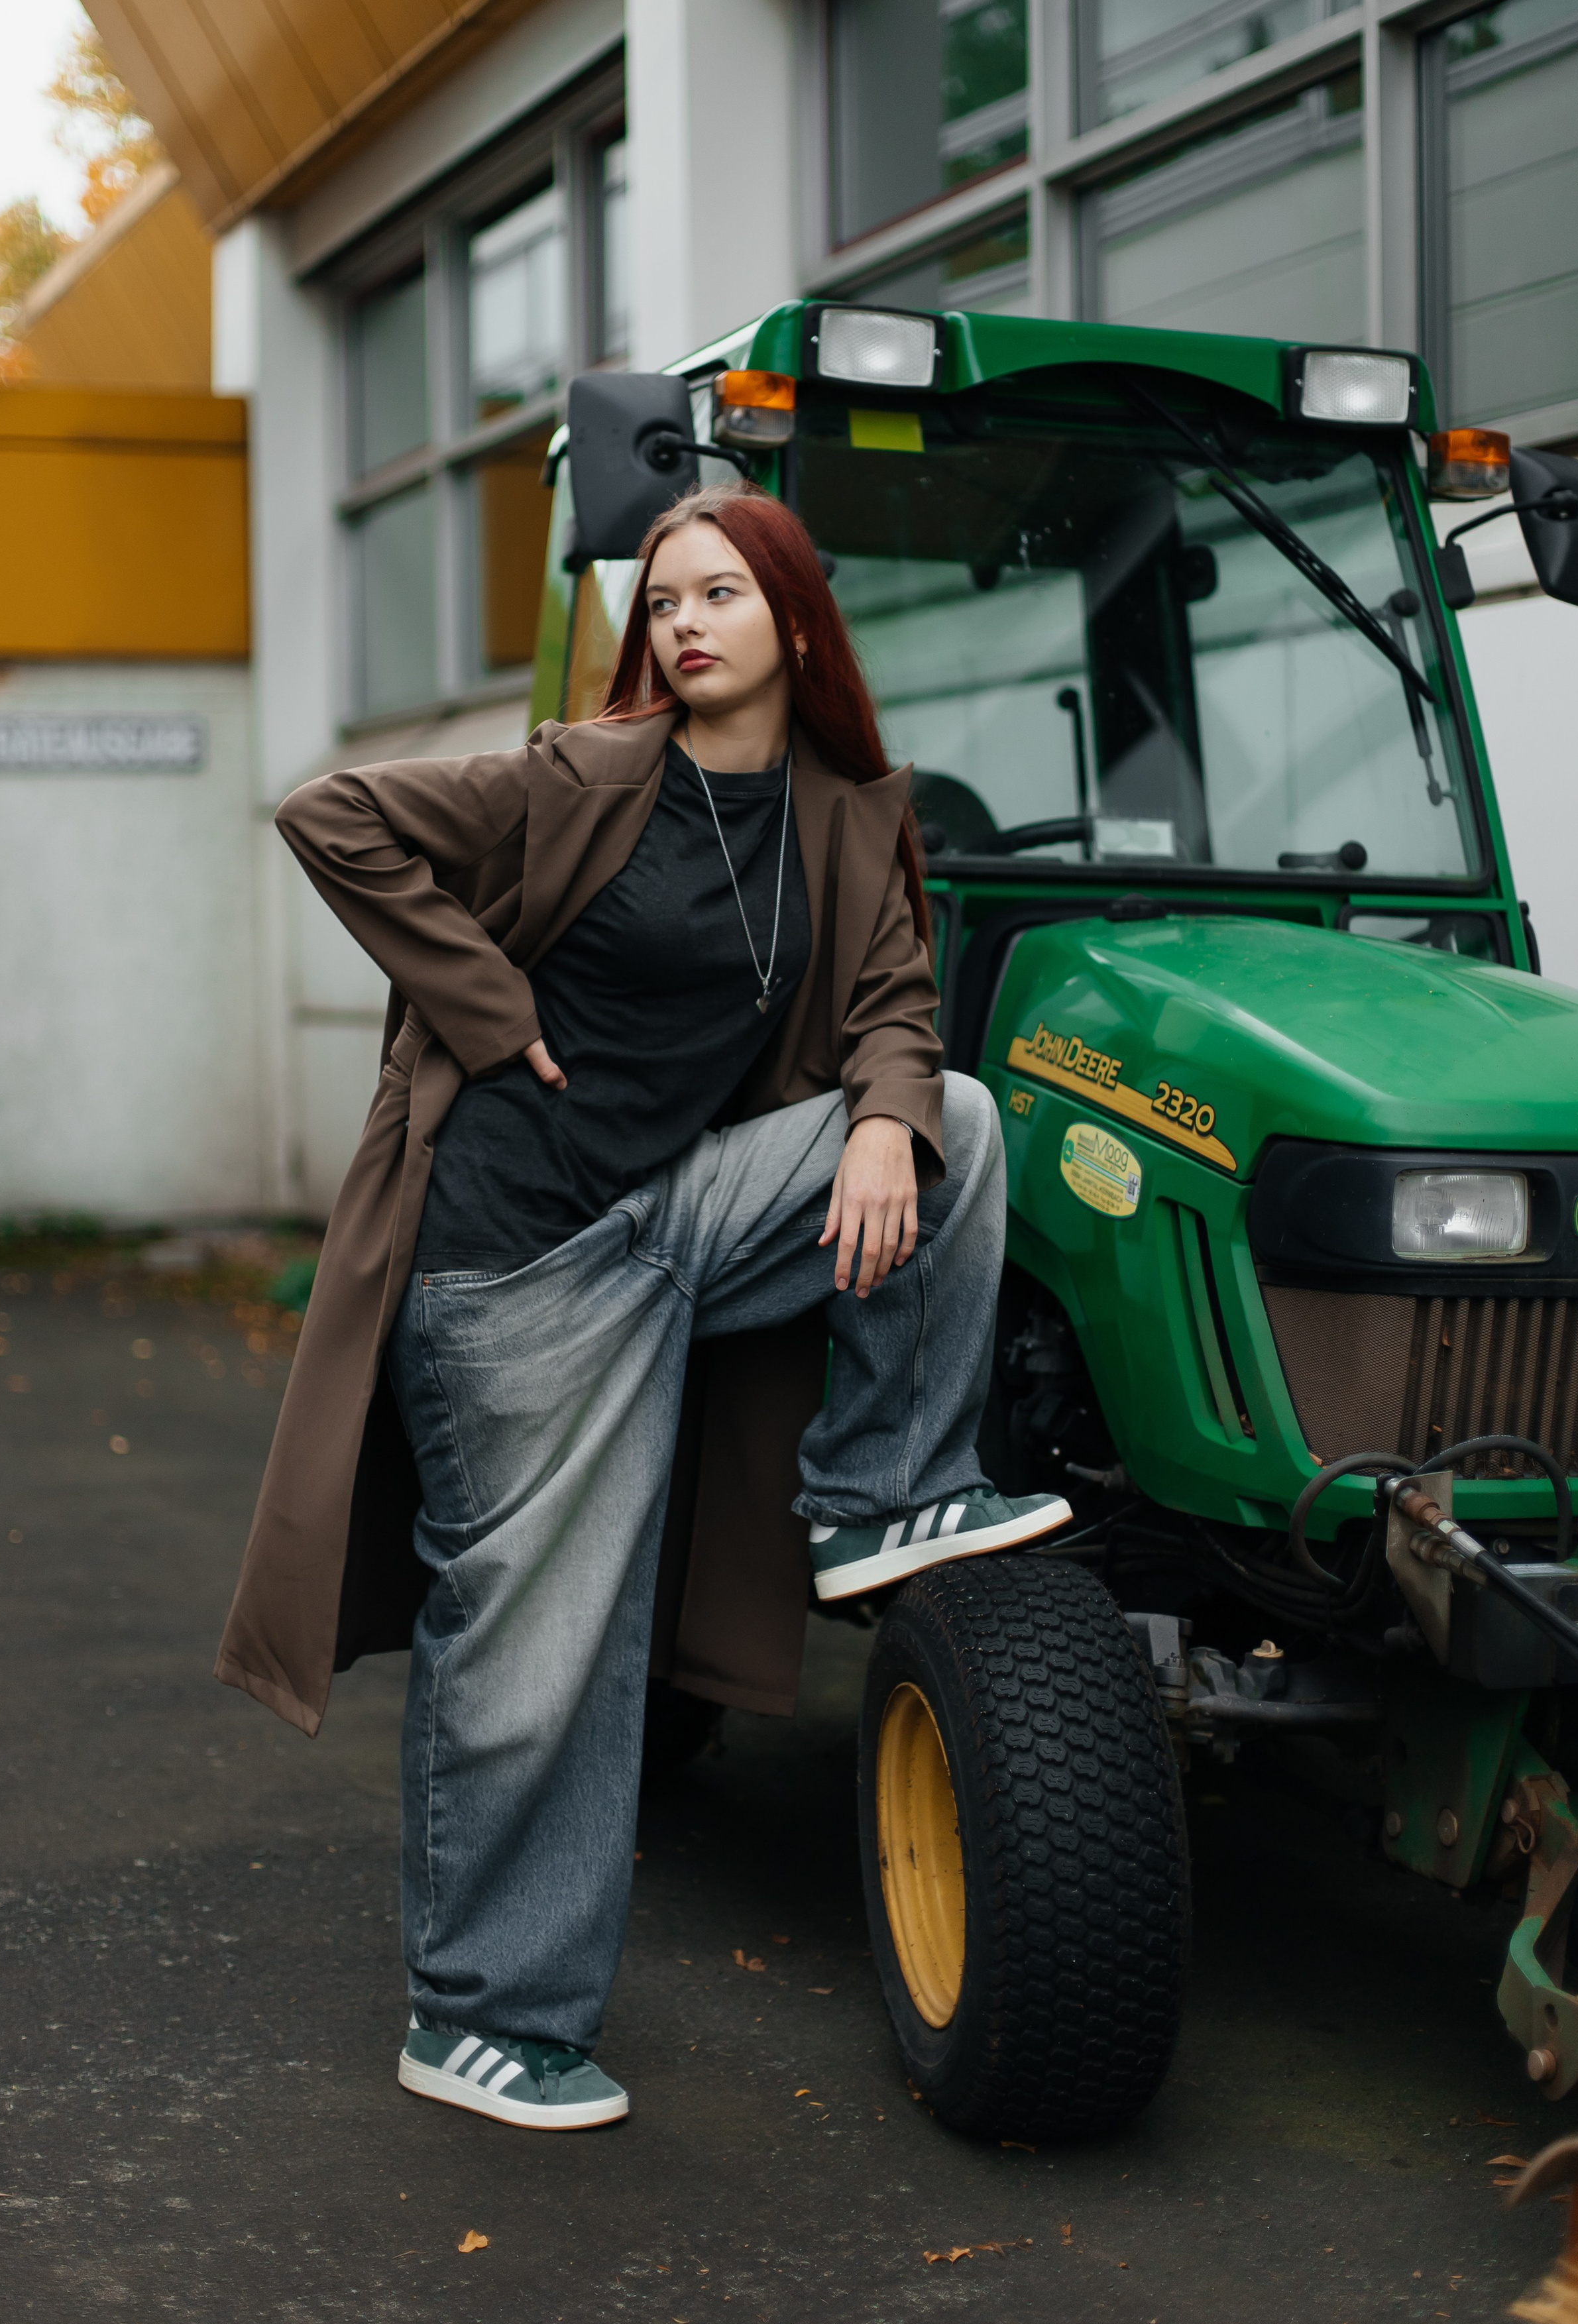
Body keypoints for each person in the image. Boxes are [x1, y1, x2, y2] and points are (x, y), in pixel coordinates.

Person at [215, 481, 1069, 2134]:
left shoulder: (835, 812)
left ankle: (886, 1491)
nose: (682, 625)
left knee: (954, 1125)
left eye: (719, 597)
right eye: (664, 601)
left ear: (794, 625)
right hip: (517, 1261)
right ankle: (476, 2016)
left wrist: (883, 1115)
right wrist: (482, 1004)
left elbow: (896, 1002)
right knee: (548, 1647)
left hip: (672, 1211)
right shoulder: (587, 774)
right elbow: (333, 814)